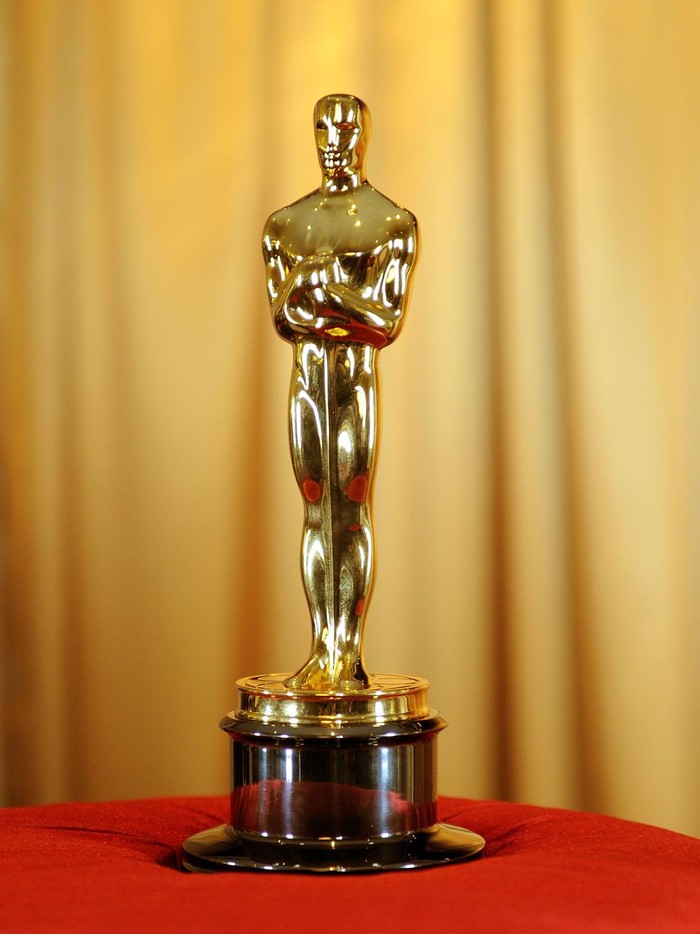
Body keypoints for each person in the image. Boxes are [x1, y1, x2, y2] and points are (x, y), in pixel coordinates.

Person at [262, 93, 418, 691]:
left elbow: (385, 322)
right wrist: (324, 303)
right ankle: (320, 645)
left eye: (345, 126)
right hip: (307, 378)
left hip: (352, 377)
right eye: (323, 125)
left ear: (364, 135)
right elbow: (282, 319)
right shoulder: (285, 225)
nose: (333, 137)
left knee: (349, 505)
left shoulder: (391, 223)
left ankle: (346, 654)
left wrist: (324, 299)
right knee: (312, 504)